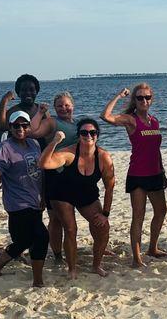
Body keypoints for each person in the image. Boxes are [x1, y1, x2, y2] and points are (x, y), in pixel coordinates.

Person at [101, 84, 167, 267]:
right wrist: (119, 95)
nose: (144, 101)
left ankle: (152, 248)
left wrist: (162, 171)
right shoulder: (131, 120)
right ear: (135, 101)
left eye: (147, 97)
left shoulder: (154, 121)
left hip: (156, 173)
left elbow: (156, 150)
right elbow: (105, 116)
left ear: (151, 99)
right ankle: (136, 258)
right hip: (138, 175)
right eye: (140, 98)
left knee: (161, 212)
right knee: (138, 216)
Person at [39, 118, 114, 279]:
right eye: (84, 132)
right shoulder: (69, 152)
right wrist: (54, 141)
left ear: (97, 135)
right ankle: (72, 269)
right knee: (71, 229)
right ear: (79, 135)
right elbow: (44, 163)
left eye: (92, 132)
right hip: (62, 193)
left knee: (103, 227)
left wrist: (105, 213)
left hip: (86, 194)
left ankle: (96, 265)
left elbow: (110, 186)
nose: (88, 135)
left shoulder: (103, 157)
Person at [0, 111, 49, 287]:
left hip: (35, 199)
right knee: (41, 236)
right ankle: (38, 281)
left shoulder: (34, 144)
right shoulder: (5, 147)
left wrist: (43, 195)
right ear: (10, 128)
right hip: (17, 201)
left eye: (24, 125)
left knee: (24, 240)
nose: (21, 128)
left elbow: (41, 171)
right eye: (16, 126)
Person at [29, 92, 78, 264]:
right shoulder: (52, 122)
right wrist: (40, 113)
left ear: (73, 105)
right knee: (56, 219)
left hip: (76, 176)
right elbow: (32, 131)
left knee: (74, 217)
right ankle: (58, 255)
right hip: (55, 176)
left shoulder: (79, 124)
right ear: (55, 109)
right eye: (59, 106)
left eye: (66, 105)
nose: (64, 108)